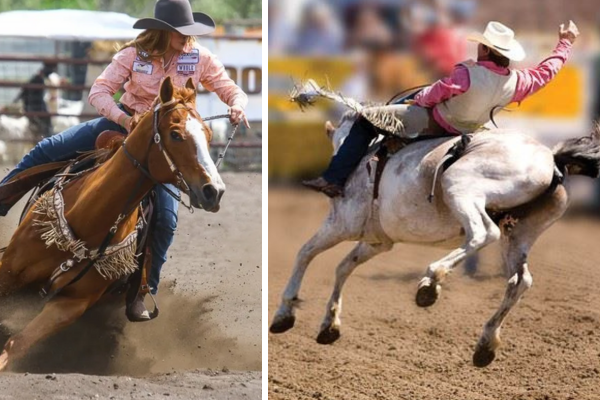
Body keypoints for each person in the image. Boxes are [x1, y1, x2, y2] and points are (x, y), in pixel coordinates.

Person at [0, 0, 249, 320]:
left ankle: (143, 290)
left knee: (165, 221)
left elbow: (230, 89)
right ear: (163, 32)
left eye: (189, 33)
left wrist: (238, 105)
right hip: (122, 124)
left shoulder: (199, 58)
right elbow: (100, 92)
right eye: (181, 33)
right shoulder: (133, 54)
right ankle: (5, 195)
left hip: (163, 146)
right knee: (49, 148)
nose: (187, 38)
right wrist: (124, 118)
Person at [304, 20, 579, 197]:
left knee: (367, 119)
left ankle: (335, 179)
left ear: (485, 49)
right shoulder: (519, 81)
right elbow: (547, 71)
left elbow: (438, 92)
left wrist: (419, 99)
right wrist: (565, 43)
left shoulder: (467, 72)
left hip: (436, 121)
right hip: (471, 130)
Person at [14, 62, 58, 139]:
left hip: (33, 106)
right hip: (34, 107)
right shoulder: (38, 78)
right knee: (46, 122)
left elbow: (24, 91)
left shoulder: (38, 78)